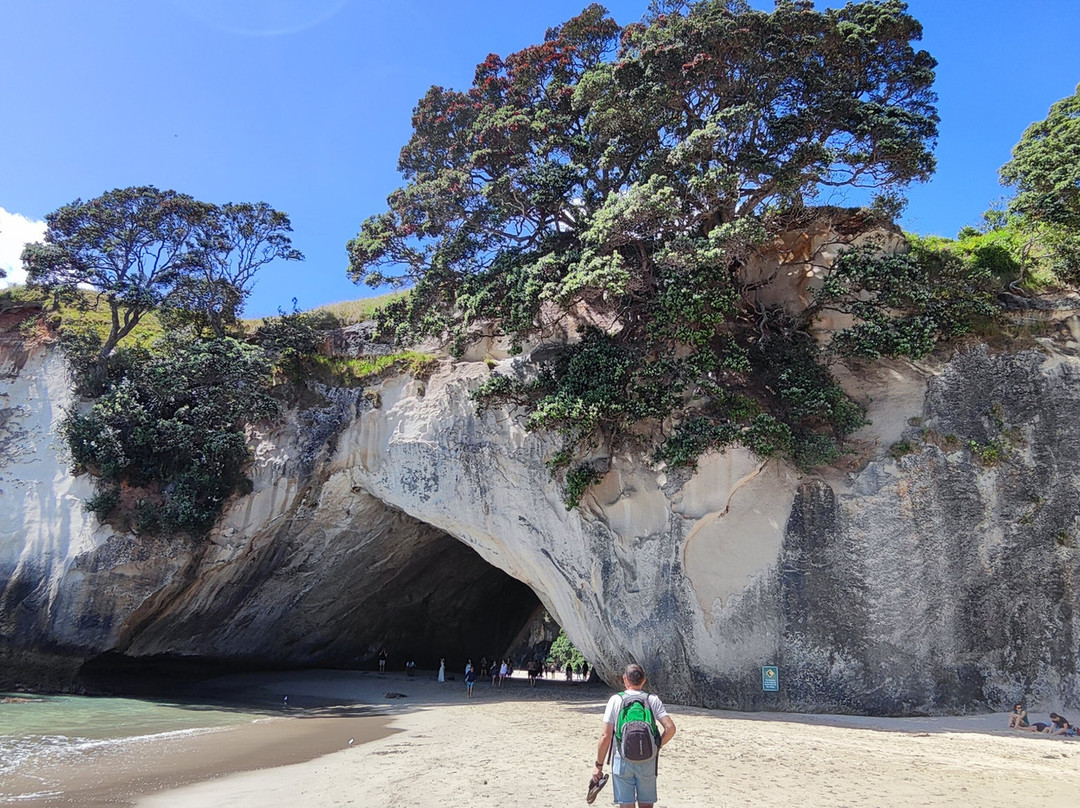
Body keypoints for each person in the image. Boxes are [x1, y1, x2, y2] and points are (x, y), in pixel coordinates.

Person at [592, 663, 676, 808]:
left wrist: (598, 766)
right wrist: (657, 745)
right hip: (648, 759)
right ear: (643, 680)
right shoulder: (652, 700)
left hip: (622, 758)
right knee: (646, 805)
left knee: (626, 805)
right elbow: (670, 728)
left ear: (625, 679)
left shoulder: (615, 700)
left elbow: (606, 736)